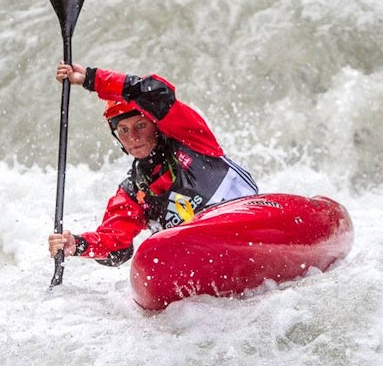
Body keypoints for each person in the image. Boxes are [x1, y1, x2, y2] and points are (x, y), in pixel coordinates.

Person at [47, 62, 258, 266]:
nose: (133, 137)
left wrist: (93, 79)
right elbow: (116, 246)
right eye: (124, 130)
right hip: (203, 254)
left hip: (249, 225)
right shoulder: (135, 190)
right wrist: (78, 245)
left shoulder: (191, 140)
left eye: (140, 125)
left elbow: (156, 93)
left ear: (156, 126)